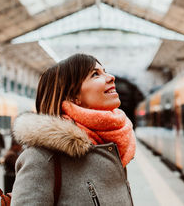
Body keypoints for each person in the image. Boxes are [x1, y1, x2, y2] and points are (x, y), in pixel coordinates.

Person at [11, 53, 136, 205]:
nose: (111, 77)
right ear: (72, 95)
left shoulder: (110, 147)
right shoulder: (42, 159)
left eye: (104, 71)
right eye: (95, 74)